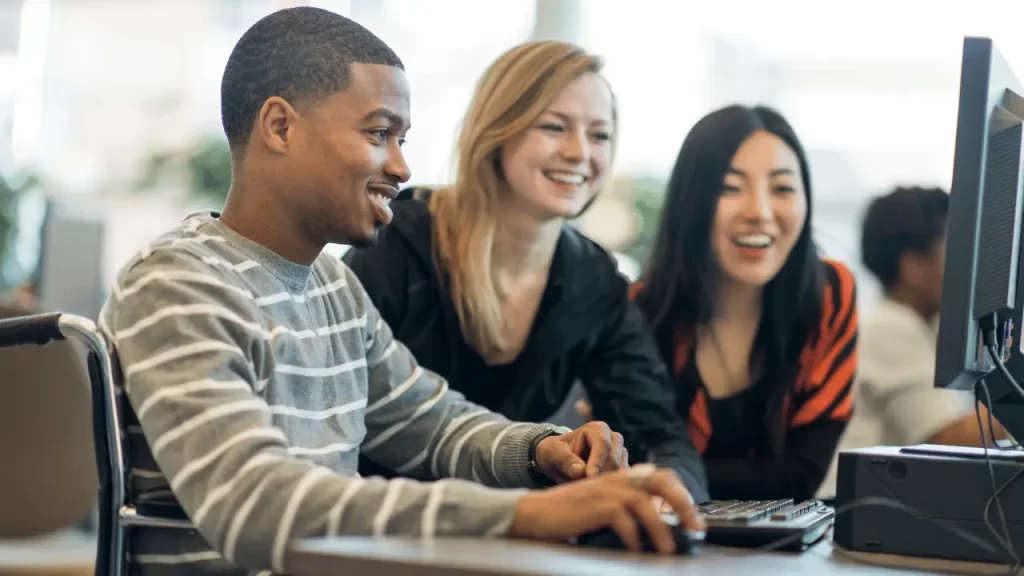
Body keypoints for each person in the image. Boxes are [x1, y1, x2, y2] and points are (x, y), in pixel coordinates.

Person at [98, 8, 702, 575]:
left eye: (402, 140)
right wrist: (528, 515)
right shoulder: (177, 283)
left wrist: (543, 449)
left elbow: (433, 426)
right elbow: (252, 504)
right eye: (378, 133)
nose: (401, 168)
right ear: (280, 127)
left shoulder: (334, 286)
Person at [342, 40, 708, 502]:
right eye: (554, 127)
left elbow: (660, 437)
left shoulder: (594, 280)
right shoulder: (397, 246)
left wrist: (668, 495)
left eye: (599, 135)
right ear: (497, 131)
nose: (579, 152)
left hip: (514, 532)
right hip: (384, 525)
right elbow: (333, 423)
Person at [631, 104, 858, 502]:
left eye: (782, 189)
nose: (760, 213)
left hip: (782, 538)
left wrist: (672, 473)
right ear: (690, 202)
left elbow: (801, 475)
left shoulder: (829, 294)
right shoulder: (639, 313)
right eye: (729, 188)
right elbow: (630, 466)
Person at [817, 186, 1006, 499]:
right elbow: (946, 442)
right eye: (958, 250)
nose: (974, 266)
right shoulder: (892, 327)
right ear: (913, 267)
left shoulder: (917, 326)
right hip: (845, 510)